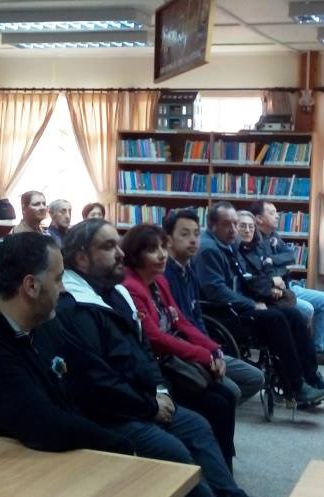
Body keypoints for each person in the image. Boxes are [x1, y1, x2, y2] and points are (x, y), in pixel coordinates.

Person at [51, 219, 248, 497]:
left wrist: (160, 391)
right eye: (109, 247)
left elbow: (143, 348)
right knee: (174, 451)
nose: (120, 253)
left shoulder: (116, 292)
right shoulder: (74, 308)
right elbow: (97, 384)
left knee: (198, 425)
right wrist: (150, 406)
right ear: (82, 259)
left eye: (118, 245)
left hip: (143, 397)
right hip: (111, 414)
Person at [0, 232, 133, 454]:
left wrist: (145, 402)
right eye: (58, 279)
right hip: (7, 464)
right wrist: (120, 446)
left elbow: (89, 372)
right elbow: (46, 425)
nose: (64, 289)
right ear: (31, 286)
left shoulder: (40, 324)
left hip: (59, 445)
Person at [194, 202, 324, 406]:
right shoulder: (209, 250)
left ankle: (312, 376)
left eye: (235, 224)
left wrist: (262, 295)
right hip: (224, 314)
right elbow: (216, 291)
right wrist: (251, 304)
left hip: (239, 305)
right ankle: (296, 387)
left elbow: (246, 277)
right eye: (227, 224)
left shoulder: (227, 244)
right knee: (277, 319)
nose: (233, 229)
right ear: (212, 225)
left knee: (293, 314)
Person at [120, 224, 238, 470]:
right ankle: (215, 468)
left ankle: (222, 465)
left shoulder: (159, 281)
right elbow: (155, 338)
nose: (162, 255)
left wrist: (214, 349)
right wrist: (203, 355)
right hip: (158, 365)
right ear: (135, 254)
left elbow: (180, 321)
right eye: (153, 250)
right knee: (218, 402)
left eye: (164, 247)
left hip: (178, 356)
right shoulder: (130, 287)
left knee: (226, 396)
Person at [163, 209, 264, 406]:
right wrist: (206, 354)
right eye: (185, 234)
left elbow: (197, 318)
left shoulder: (189, 271)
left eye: (196, 234)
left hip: (200, 345)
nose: (193, 240)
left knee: (256, 378)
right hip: (181, 353)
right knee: (230, 392)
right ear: (168, 240)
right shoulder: (165, 276)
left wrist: (212, 349)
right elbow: (177, 327)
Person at [248, 202, 324, 368]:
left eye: (276, 212)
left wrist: (271, 260)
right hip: (274, 292)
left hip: (288, 286)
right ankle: (298, 353)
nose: (277, 216)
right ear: (259, 219)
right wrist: (274, 266)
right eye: (271, 213)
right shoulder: (253, 240)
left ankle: (322, 352)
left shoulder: (273, 235)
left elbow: (290, 255)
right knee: (307, 309)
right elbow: (262, 272)